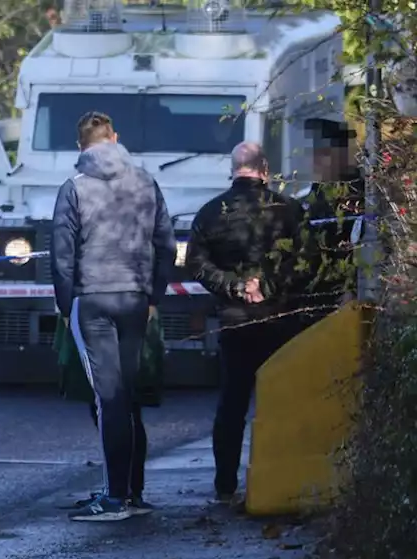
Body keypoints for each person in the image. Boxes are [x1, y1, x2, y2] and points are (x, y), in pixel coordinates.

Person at [51, 111, 176, 522]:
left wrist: (65, 304)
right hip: (135, 299)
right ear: (115, 138)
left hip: (93, 300)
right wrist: (154, 294)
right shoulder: (145, 182)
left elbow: (63, 256)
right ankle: (132, 491)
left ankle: (114, 497)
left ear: (80, 147)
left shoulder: (74, 188)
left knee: (109, 401)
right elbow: (166, 244)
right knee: (128, 396)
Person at [186, 142, 304, 506]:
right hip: (279, 318)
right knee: (283, 401)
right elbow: (304, 260)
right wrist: (265, 286)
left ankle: (225, 484)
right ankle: (281, 478)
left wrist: (234, 287)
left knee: (232, 402)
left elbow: (197, 265)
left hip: (235, 321)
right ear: (264, 170)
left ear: (233, 169)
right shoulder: (288, 210)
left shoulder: (209, 213)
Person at [296, 118, 364, 322]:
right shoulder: (315, 195)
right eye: (315, 155)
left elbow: (365, 246)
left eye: (324, 154)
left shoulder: (359, 196)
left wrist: (352, 288)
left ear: (342, 156)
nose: (316, 162)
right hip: (313, 298)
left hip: (345, 299)